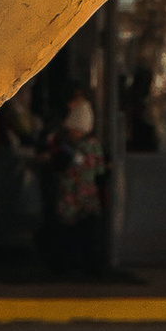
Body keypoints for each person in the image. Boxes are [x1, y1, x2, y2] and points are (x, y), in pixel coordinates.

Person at [46, 87, 107, 279]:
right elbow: (100, 170)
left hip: (71, 196)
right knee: (87, 235)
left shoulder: (68, 145)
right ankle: (88, 268)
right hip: (87, 196)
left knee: (69, 233)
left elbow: (60, 167)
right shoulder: (93, 145)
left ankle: (68, 266)